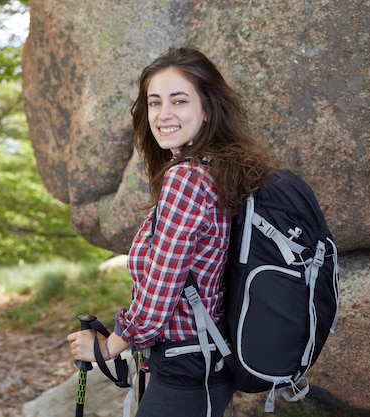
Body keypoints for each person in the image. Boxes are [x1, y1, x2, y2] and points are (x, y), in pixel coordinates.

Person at [67, 47, 275, 417]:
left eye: (179, 101)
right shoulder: (214, 170)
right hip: (203, 359)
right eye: (154, 102)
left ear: (207, 107)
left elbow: (163, 285)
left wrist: (110, 346)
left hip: (186, 367)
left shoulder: (188, 178)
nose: (163, 115)